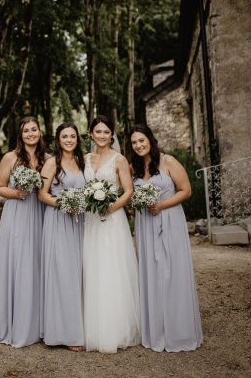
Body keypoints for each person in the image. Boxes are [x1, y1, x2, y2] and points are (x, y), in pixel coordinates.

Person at [130, 124, 203, 352]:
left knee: (172, 273)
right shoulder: (135, 168)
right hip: (145, 225)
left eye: (142, 140)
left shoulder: (168, 161)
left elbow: (186, 190)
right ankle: (156, 330)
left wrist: (160, 204)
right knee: (151, 273)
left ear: (150, 140)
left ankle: (179, 331)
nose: (139, 145)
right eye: (134, 142)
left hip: (169, 220)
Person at [0, 116, 48, 348]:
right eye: (26, 131)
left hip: (41, 213)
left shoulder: (48, 158)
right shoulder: (10, 157)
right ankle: (15, 323)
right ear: (20, 135)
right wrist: (17, 193)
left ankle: (38, 323)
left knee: (37, 263)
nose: (31, 134)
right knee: (19, 262)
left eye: (34, 129)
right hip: (18, 213)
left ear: (40, 132)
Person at [83, 115, 141, 353]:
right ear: (91, 134)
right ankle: (92, 328)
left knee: (112, 269)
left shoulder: (119, 159)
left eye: (107, 132)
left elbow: (128, 191)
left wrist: (110, 207)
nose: (103, 136)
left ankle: (117, 329)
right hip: (90, 221)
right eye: (98, 132)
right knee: (92, 267)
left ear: (112, 135)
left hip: (112, 219)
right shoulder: (85, 158)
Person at [38, 122, 86, 351]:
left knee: (78, 273)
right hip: (58, 221)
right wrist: (64, 204)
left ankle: (79, 325)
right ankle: (64, 333)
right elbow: (42, 194)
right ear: (58, 140)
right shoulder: (51, 163)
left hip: (80, 223)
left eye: (73, 136)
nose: (69, 140)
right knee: (62, 273)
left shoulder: (81, 162)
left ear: (77, 139)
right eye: (65, 136)